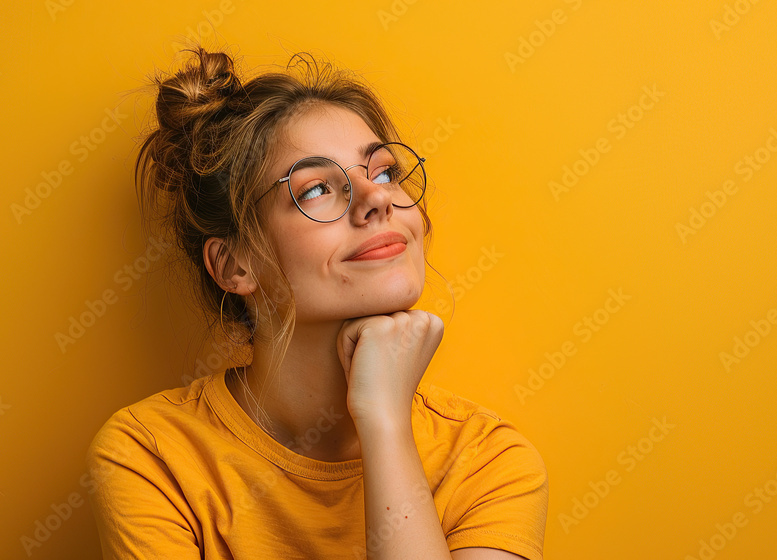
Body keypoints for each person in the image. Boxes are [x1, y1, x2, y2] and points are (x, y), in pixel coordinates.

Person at [85, 43, 549, 560]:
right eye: (315, 190)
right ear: (235, 265)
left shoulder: (490, 463)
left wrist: (384, 422)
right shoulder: (153, 456)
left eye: (384, 171)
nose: (377, 198)